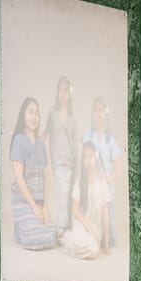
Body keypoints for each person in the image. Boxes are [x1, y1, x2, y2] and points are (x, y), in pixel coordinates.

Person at [8, 96, 57, 250]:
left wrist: (45, 207)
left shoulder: (41, 144)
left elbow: (47, 176)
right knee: (37, 238)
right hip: (23, 201)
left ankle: (24, 226)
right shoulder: (19, 140)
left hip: (40, 202)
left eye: (37, 113)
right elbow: (18, 177)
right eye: (30, 112)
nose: (34, 116)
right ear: (23, 114)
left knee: (51, 237)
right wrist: (34, 208)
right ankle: (22, 227)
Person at [84, 97, 121, 254]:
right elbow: (83, 159)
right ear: (92, 113)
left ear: (105, 114)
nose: (98, 113)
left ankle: (107, 240)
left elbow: (118, 169)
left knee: (109, 224)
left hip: (106, 189)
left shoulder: (110, 140)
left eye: (101, 110)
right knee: (92, 217)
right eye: (95, 110)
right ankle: (93, 237)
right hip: (91, 187)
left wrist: (105, 180)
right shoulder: (88, 136)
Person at [61, 140, 104, 260]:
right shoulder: (80, 181)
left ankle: (69, 240)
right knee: (88, 247)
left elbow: (105, 213)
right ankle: (70, 239)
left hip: (95, 227)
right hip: (82, 223)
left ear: (96, 156)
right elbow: (75, 210)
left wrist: (105, 245)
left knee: (93, 251)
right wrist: (88, 227)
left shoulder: (101, 182)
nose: (88, 161)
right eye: (85, 158)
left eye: (90, 156)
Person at [46, 77, 78, 221]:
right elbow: (46, 134)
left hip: (69, 162)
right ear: (57, 92)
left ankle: (62, 230)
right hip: (56, 160)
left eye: (66, 91)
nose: (63, 94)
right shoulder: (52, 113)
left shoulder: (72, 119)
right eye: (61, 90)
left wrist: (77, 166)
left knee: (65, 197)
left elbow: (75, 145)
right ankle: (61, 230)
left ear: (70, 95)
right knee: (61, 195)